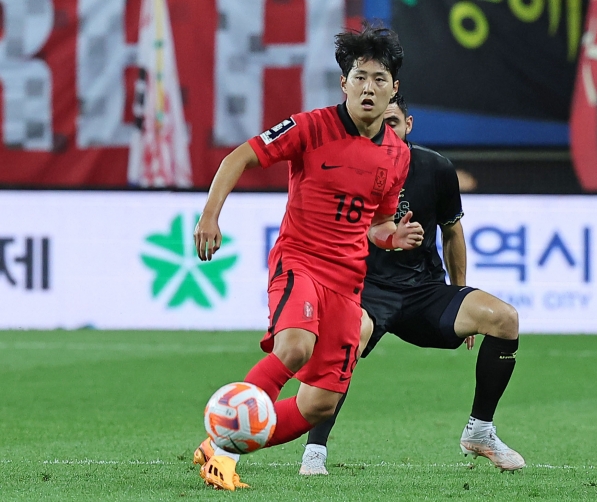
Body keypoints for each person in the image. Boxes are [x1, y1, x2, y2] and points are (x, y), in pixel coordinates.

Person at [192, 23, 424, 491]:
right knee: (294, 347)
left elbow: (377, 223)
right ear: (344, 83)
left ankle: (225, 439)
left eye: (379, 80)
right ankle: (220, 452)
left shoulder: (398, 156)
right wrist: (209, 217)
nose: (368, 88)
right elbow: (240, 156)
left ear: (393, 89)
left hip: (347, 281)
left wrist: (390, 238)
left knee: (319, 403)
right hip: (299, 261)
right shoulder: (310, 127)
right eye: (359, 76)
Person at [298, 94, 525, 476]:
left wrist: (461, 292)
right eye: (379, 124)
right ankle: (315, 450)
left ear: (409, 125)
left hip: (424, 292)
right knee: (349, 336)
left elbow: (453, 232)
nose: (386, 130)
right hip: (366, 289)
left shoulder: (436, 168)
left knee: (505, 319)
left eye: (394, 122)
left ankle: (480, 431)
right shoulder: (348, 168)